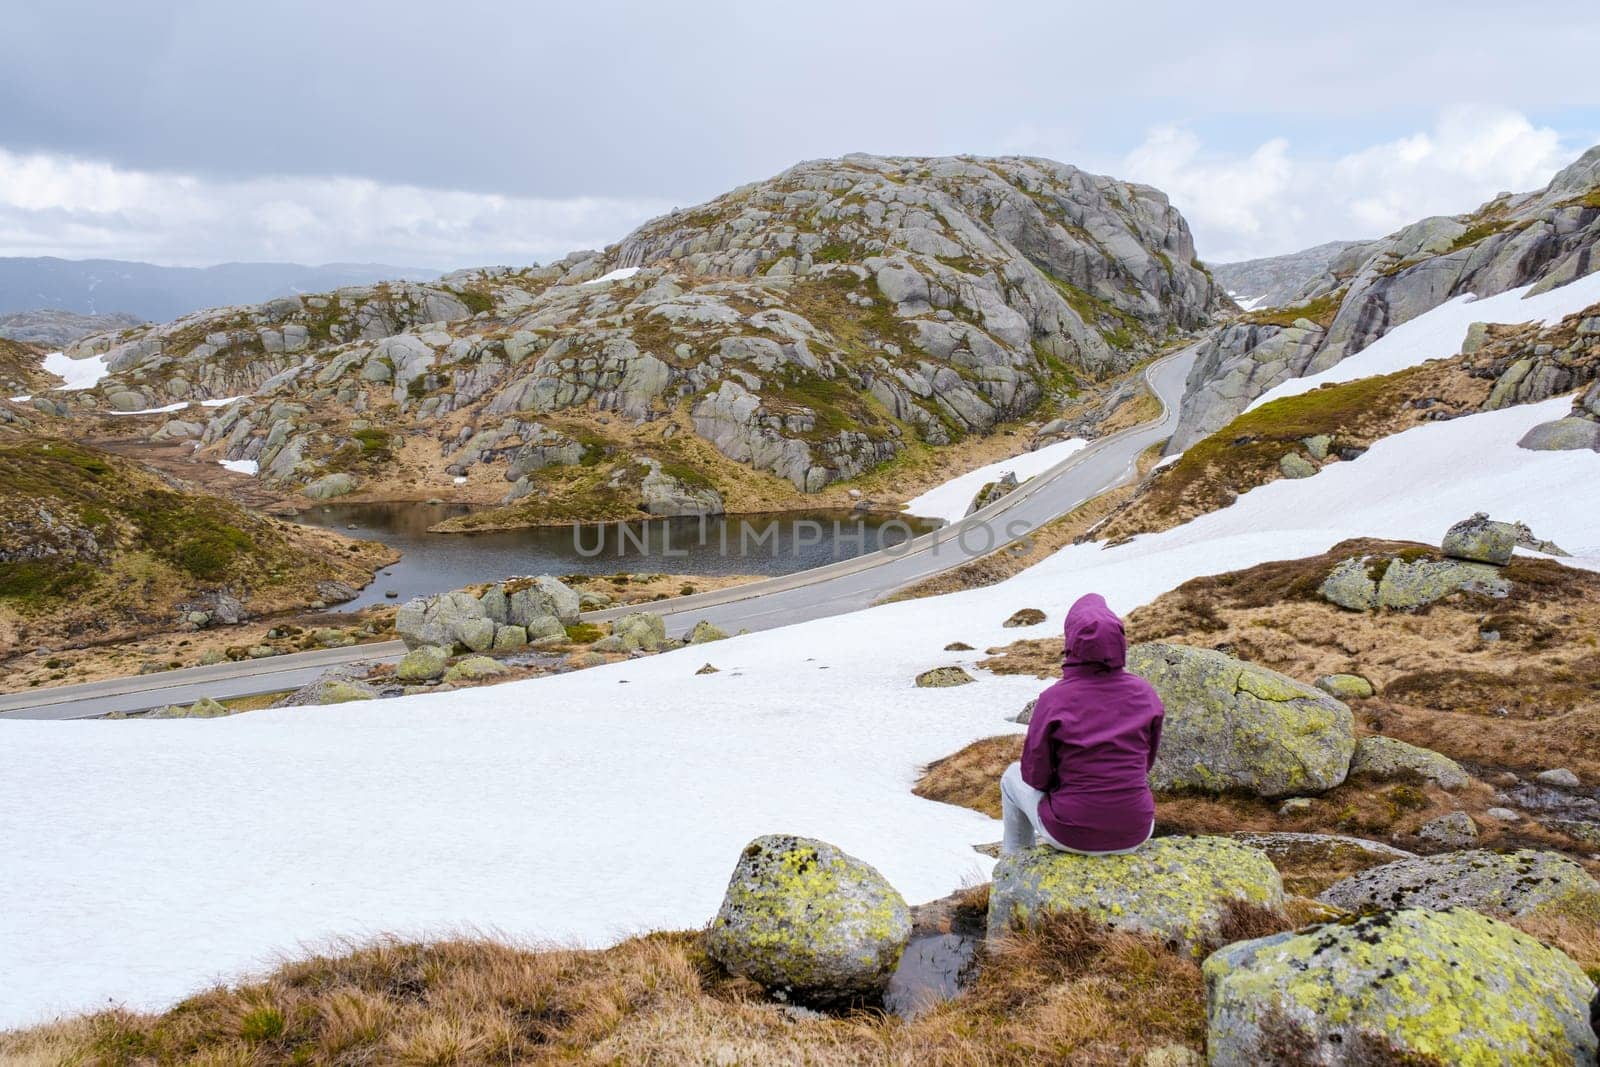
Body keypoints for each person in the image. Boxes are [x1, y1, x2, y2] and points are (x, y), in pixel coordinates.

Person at [1000, 593, 1164, 856]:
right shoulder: (1145, 693)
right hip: (1138, 829)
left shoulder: (1054, 699)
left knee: (1011, 778)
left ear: (1071, 641)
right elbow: (1146, 762)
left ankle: (1015, 863)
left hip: (1071, 832)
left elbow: (1035, 776)